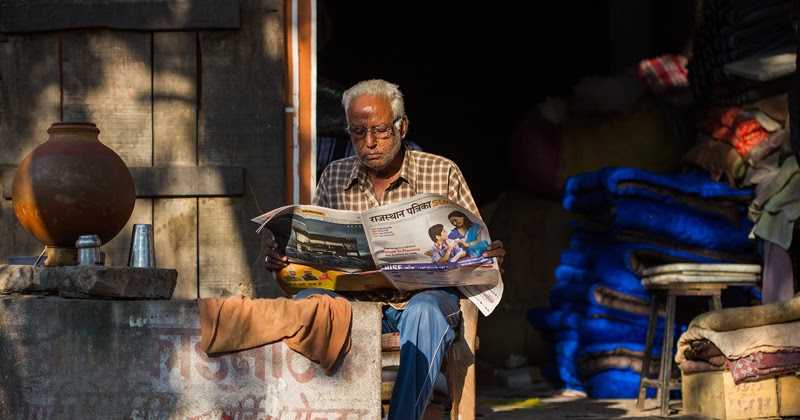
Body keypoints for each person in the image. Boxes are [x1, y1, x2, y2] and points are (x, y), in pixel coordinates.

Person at [264, 79, 505, 420]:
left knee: (425, 311)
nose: (370, 143)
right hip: (356, 303)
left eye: (380, 130)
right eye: (358, 132)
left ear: (402, 126)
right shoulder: (334, 175)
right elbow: (314, 256)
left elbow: (475, 247)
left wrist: (486, 256)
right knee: (305, 307)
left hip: (424, 301)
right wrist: (288, 260)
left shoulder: (442, 171)